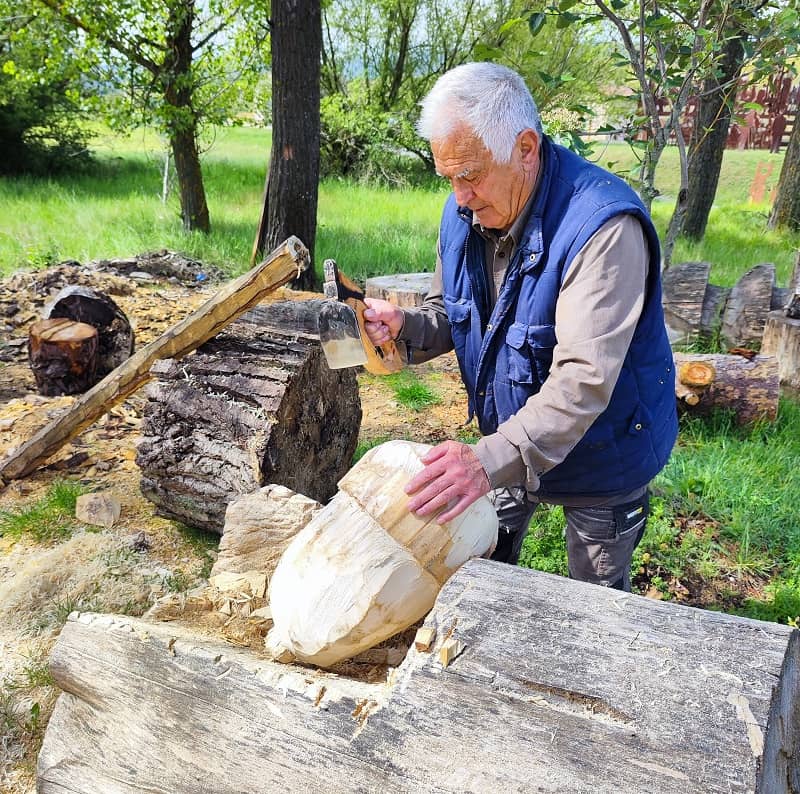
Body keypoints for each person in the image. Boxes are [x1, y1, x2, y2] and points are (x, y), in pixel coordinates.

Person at [363, 62, 678, 592]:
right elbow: (454, 315)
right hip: (509, 431)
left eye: (470, 175)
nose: (459, 196)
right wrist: (407, 326)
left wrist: (484, 462)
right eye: (449, 178)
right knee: (478, 576)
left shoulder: (603, 228)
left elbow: (583, 382)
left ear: (525, 149)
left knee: (597, 611)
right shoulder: (466, 209)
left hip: (607, 451)